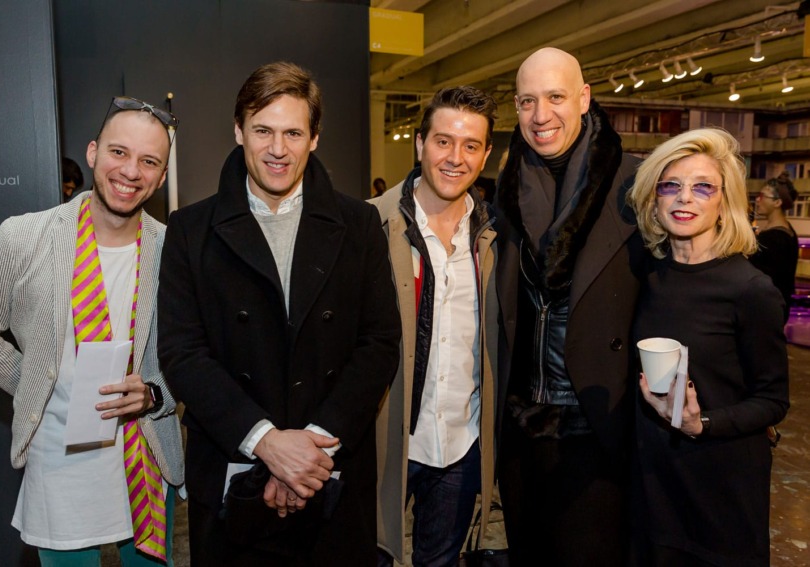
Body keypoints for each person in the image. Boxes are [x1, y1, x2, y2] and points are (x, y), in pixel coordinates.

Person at [157, 61, 401, 565]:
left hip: (330, 476)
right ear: (238, 131)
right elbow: (184, 354)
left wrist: (308, 452)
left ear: (314, 139)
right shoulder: (189, 230)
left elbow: (379, 344)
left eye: (293, 132)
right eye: (262, 130)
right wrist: (267, 443)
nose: (277, 148)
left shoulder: (360, 224)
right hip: (232, 474)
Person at [0, 97, 184, 565]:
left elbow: (194, 353)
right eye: (118, 152)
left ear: (161, 177)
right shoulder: (25, 237)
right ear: (92, 152)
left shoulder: (174, 251)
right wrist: (34, 379)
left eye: (149, 161)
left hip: (144, 465)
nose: (130, 171)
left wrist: (156, 394)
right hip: (60, 471)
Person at [494, 47, 645, 565]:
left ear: (583, 98)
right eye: (527, 101)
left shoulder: (633, 186)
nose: (541, 116)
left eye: (556, 97)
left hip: (596, 423)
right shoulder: (504, 189)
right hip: (519, 426)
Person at [626, 128, 789, 566]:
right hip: (652, 485)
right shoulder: (646, 279)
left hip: (720, 488)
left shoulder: (750, 289)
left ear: (724, 201)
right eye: (671, 186)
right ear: (655, 199)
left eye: (702, 187)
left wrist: (705, 423)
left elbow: (773, 401)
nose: (685, 199)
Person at [372, 86, 498, 566]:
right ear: (419, 143)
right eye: (443, 141)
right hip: (390, 441)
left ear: (485, 154)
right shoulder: (371, 224)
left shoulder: (495, 236)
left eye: (470, 146)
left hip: (462, 444)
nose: (455, 158)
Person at [751, 176, 799, 321]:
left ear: (777, 202)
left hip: (766, 311)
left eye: (762, 196)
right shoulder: (787, 231)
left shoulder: (776, 238)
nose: (758, 200)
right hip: (774, 308)